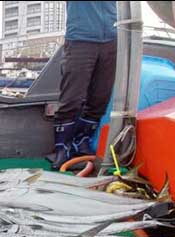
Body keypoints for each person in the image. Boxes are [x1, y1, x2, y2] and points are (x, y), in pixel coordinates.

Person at [51, 1, 118, 170]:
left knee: (100, 98)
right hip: (80, 39)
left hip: (111, 40)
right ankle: (62, 147)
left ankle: (82, 141)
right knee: (72, 98)